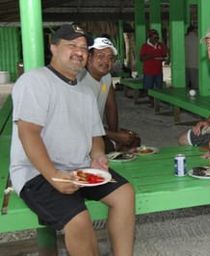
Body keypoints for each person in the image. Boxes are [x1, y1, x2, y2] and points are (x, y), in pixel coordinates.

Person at [10, 24, 135, 255]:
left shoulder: (85, 92)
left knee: (125, 193)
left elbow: (95, 136)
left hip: (79, 169)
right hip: (38, 173)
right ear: (54, 48)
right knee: (79, 220)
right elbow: (28, 133)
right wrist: (53, 175)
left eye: (83, 47)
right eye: (72, 45)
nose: (79, 51)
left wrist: (97, 156)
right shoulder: (35, 81)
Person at [79, 37, 141, 153]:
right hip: (82, 134)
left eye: (110, 58)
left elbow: (111, 106)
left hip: (99, 130)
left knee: (133, 139)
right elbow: (81, 125)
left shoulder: (106, 77)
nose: (106, 61)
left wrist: (116, 134)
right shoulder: (80, 81)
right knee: (108, 147)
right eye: (101, 56)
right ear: (89, 58)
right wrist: (114, 136)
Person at [140, 29, 168, 107]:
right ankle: (152, 102)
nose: (156, 39)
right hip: (148, 70)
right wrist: (151, 56)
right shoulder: (145, 46)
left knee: (159, 87)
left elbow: (164, 55)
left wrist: (163, 58)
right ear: (150, 38)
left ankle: (157, 102)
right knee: (149, 87)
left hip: (158, 70)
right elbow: (141, 58)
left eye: (157, 38)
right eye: (155, 38)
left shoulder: (160, 45)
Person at [185, 24, 199, 90]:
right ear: (194, 30)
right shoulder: (197, 39)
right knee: (195, 85)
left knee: (186, 84)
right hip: (195, 65)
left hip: (186, 64)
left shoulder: (185, 38)